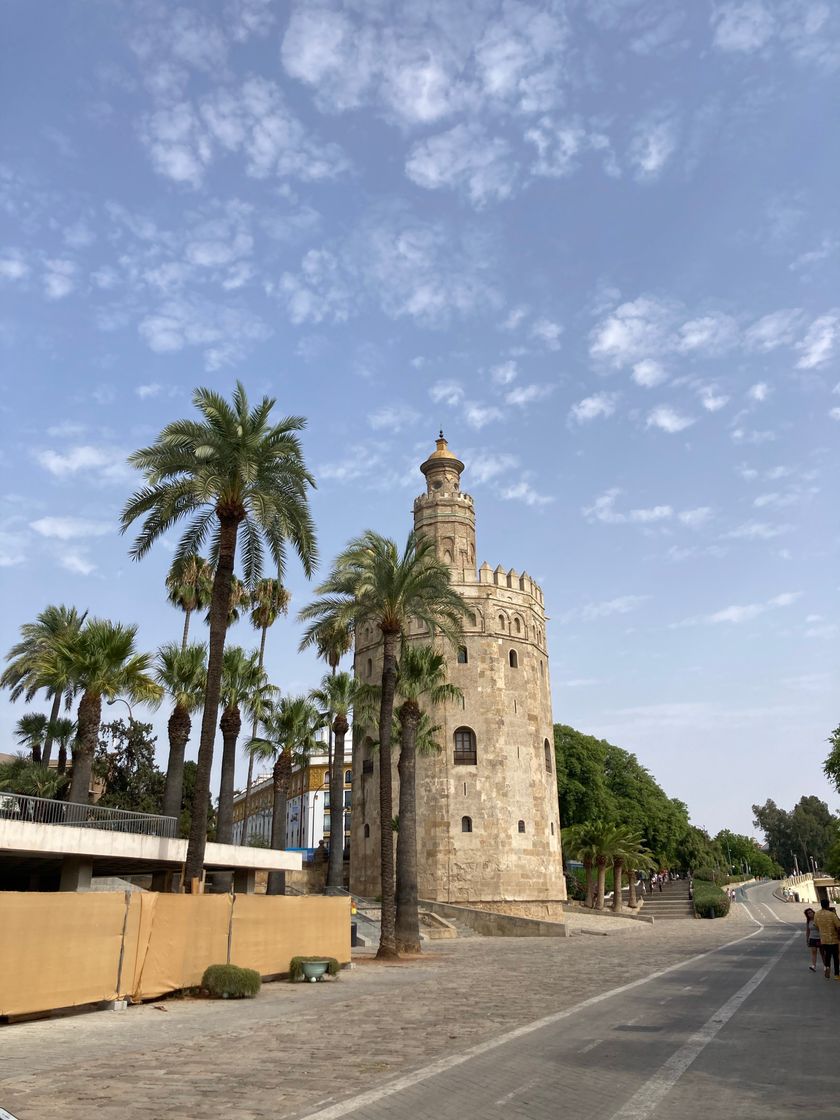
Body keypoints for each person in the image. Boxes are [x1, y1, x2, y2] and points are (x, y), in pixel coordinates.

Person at [813, 899, 840, 979]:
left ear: (821, 905)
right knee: (835, 957)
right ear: (828, 905)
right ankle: (836, 974)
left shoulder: (817, 914)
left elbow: (816, 925)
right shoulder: (832, 914)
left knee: (827, 954)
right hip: (833, 938)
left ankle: (827, 967)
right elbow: (838, 926)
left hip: (823, 939)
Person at [804, 907, 821, 972]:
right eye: (808, 913)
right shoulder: (809, 921)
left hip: (819, 938)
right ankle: (813, 966)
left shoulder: (818, 919)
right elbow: (808, 931)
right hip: (812, 938)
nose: (810, 914)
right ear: (807, 915)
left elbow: (822, 929)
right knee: (814, 952)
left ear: (813, 912)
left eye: (811, 912)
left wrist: (817, 926)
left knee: (822, 953)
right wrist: (807, 939)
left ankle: (826, 966)